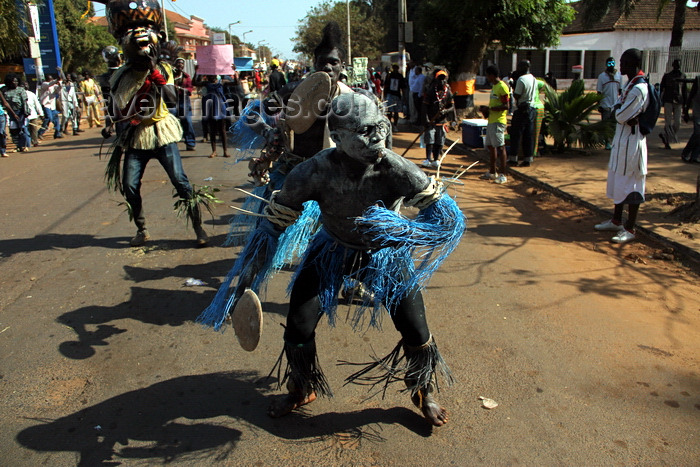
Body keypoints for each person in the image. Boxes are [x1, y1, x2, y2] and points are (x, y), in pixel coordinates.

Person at [214, 91, 465, 425]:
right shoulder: (313, 172)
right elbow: (270, 231)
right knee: (298, 325)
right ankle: (301, 386)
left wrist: (403, 232)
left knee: (416, 330)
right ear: (337, 137)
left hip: (385, 255)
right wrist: (244, 285)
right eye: (365, 131)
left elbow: (446, 220)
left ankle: (422, 388)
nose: (378, 137)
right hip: (331, 251)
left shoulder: (397, 170)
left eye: (381, 126)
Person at [100, 0, 209, 247]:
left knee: (180, 181)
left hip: (162, 133)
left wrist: (154, 71)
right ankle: (142, 229)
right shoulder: (120, 75)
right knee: (129, 185)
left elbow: (171, 99)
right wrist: (110, 123)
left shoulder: (163, 69)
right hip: (136, 136)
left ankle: (198, 228)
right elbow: (116, 105)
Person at [594, 48, 649, 244]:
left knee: (632, 184)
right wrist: (620, 111)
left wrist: (619, 111)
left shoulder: (639, 88)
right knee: (618, 180)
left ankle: (630, 228)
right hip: (622, 141)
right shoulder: (629, 85)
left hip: (632, 144)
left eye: (624, 63)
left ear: (633, 65)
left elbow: (619, 115)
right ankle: (617, 220)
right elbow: (620, 110)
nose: (620, 66)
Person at [479, 65, 509, 184]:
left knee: (500, 147)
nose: (487, 78)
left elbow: (506, 106)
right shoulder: (494, 87)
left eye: (487, 75)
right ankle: (492, 172)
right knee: (491, 146)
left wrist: (490, 109)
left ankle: (503, 174)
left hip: (498, 121)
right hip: (491, 121)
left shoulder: (502, 87)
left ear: (492, 75)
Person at [421, 69, 454, 168]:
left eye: (444, 79)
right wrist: (426, 119)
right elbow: (425, 106)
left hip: (442, 121)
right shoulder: (431, 91)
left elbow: (452, 107)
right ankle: (428, 159)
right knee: (430, 141)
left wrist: (446, 111)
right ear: (436, 80)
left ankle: (436, 160)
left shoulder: (448, 92)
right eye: (440, 79)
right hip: (431, 121)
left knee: (439, 142)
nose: (442, 81)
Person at [507, 60, 538, 167]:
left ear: (524, 67)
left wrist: (513, 86)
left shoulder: (521, 79)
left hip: (522, 108)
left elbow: (517, 95)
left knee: (516, 134)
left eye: (519, 66)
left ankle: (513, 158)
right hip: (532, 108)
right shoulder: (533, 78)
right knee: (528, 135)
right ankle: (528, 159)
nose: (518, 68)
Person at [194, 75, 230, 158]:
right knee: (212, 130)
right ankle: (214, 151)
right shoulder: (206, 83)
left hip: (220, 107)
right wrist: (196, 73)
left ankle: (225, 151)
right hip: (210, 107)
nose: (212, 77)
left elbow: (235, 83)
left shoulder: (222, 82)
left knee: (222, 130)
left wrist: (235, 74)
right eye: (211, 75)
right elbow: (194, 83)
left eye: (214, 75)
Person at [659, 59, 687, 150]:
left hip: (678, 101)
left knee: (677, 123)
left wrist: (685, 104)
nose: (677, 67)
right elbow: (661, 88)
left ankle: (665, 136)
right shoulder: (667, 76)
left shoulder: (683, 76)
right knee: (668, 123)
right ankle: (667, 142)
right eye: (676, 65)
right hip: (668, 100)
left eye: (678, 65)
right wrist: (660, 100)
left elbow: (684, 91)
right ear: (673, 65)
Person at [596, 57, 622, 150]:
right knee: (606, 124)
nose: (611, 65)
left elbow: (620, 91)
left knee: (614, 125)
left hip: (615, 105)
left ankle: (613, 142)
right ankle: (607, 142)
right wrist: (598, 104)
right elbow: (599, 91)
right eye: (609, 63)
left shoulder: (618, 75)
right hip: (605, 104)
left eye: (612, 63)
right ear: (606, 64)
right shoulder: (602, 76)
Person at [1, 74, 31, 153]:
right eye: (13, 81)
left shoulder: (20, 89)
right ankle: (18, 146)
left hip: (20, 112)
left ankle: (24, 146)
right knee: (13, 130)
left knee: (22, 129)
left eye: (16, 81)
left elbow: (24, 102)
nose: (15, 83)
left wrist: (25, 112)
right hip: (9, 112)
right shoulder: (4, 90)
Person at [38, 74, 63, 140]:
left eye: (51, 79)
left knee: (56, 119)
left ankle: (57, 133)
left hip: (52, 105)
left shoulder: (53, 86)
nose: (51, 80)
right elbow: (50, 84)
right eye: (49, 79)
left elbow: (58, 89)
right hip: (46, 104)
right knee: (49, 118)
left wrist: (60, 83)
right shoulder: (44, 84)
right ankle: (40, 132)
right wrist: (56, 80)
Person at [681, 75, 700, 163]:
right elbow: (691, 95)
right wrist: (686, 110)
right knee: (697, 133)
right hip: (698, 111)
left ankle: (694, 156)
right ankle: (686, 153)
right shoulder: (698, 79)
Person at [383, 64, 405, 132]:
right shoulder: (389, 75)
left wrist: (403, 96)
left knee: (396, 111)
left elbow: (402, 87)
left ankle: (395, 125)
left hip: (397, 95)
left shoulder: (400, 76)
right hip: (390, 95)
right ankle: (389, 124)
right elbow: (386, 86)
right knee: (390, 111)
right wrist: (385, 95)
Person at [22, 82, 44, 146]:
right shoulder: (19, 94)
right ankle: (27, 143)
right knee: (26, 130)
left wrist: (41, 114)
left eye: (27, 84)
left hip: (33, 115)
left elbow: (37, 104)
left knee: (34, 129)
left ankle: (35, 141)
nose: (26, 86)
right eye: (24, 85)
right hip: (24, 117)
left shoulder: (31, 94)